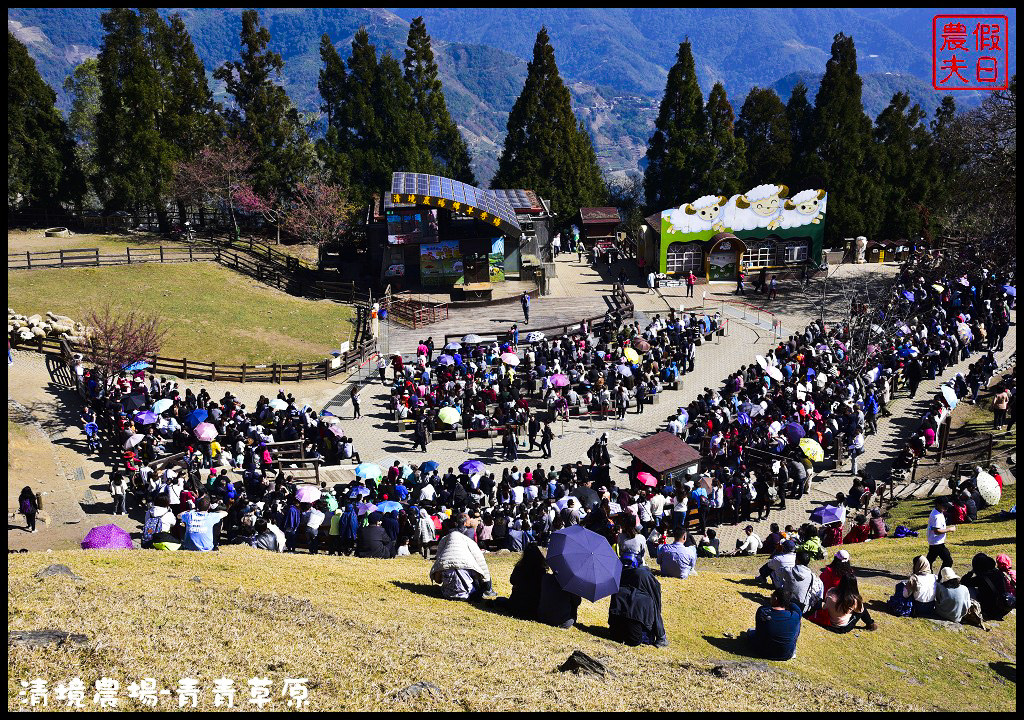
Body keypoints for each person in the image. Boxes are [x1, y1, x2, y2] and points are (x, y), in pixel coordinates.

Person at [430, 515, 496, 600]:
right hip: (468, 593)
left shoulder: (444, 540)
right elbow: (481, 562)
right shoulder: (469, 540)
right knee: (474, 572)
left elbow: (438, 577)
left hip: (446, 594)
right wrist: (487, 585)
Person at [608, 565, 668, 647]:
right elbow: (653, 621)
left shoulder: (618, 592)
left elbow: (611, 619)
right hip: (634, 640)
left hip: (613, 634)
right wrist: (661, 637)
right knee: (647, 635)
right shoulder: (647, 600)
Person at [746, 589, 802, 660]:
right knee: (798, 621)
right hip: (785, 655)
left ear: (775, 598)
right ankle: (792, 649)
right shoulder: (794, 615)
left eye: (771, 596)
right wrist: (787, 601)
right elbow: (797, 609)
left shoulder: (762, 611)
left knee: (750, 631)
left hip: (761, 651)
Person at [962, 552, 1015, 620]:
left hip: (989, 610)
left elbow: (963, 582)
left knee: (968, 589)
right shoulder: (998, 573)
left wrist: (971, 572)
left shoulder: (981, 578)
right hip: (1001, 607)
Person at [777, 550, 825, 615]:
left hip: (785, 603)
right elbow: (819, 591)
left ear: (797, 560)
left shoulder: (787, 570)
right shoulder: (812, 576)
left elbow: (777, 573)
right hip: (801, 608)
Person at [926, 497, 956, 571]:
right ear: (938, 505)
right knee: (948, 561)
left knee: (929, 560)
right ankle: (940, 578)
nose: (946, 508)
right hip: (937, 542)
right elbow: (937, 531)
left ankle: (926, 573)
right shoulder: (936, 516)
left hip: (934, 541)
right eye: (944, 506)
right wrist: (949, 529)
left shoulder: (937, 512)